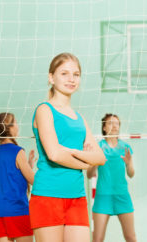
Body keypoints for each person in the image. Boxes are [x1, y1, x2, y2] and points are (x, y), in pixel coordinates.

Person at [29, 52, 106, 242]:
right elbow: (54, 154)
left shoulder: (79, 118)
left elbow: (101, 158)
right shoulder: (44, 110)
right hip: (47, 196)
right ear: (51, 78)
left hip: (77, 198)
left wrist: (72, 152)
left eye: (76, 74)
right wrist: (84, 162)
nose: (71, 79)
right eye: (64, 73)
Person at [87, 113, 137, 242]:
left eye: (117, 123)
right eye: (110, 123)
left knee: (131, 237)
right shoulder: (98, 147)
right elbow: (88, 174)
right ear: (104, 127)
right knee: (97, 239)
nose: (114, 125)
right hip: (103, 196)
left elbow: (131, 174)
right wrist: (96, 161)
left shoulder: (125, 147)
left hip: (122, 195)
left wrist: (128, 163)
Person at [0, 112, 35, 242]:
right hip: (17, 210)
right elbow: (32, 180)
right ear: (8, 128)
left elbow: (8, 175)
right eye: (15, 122)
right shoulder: (18, 151)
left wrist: (28, 165)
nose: (18, 125)